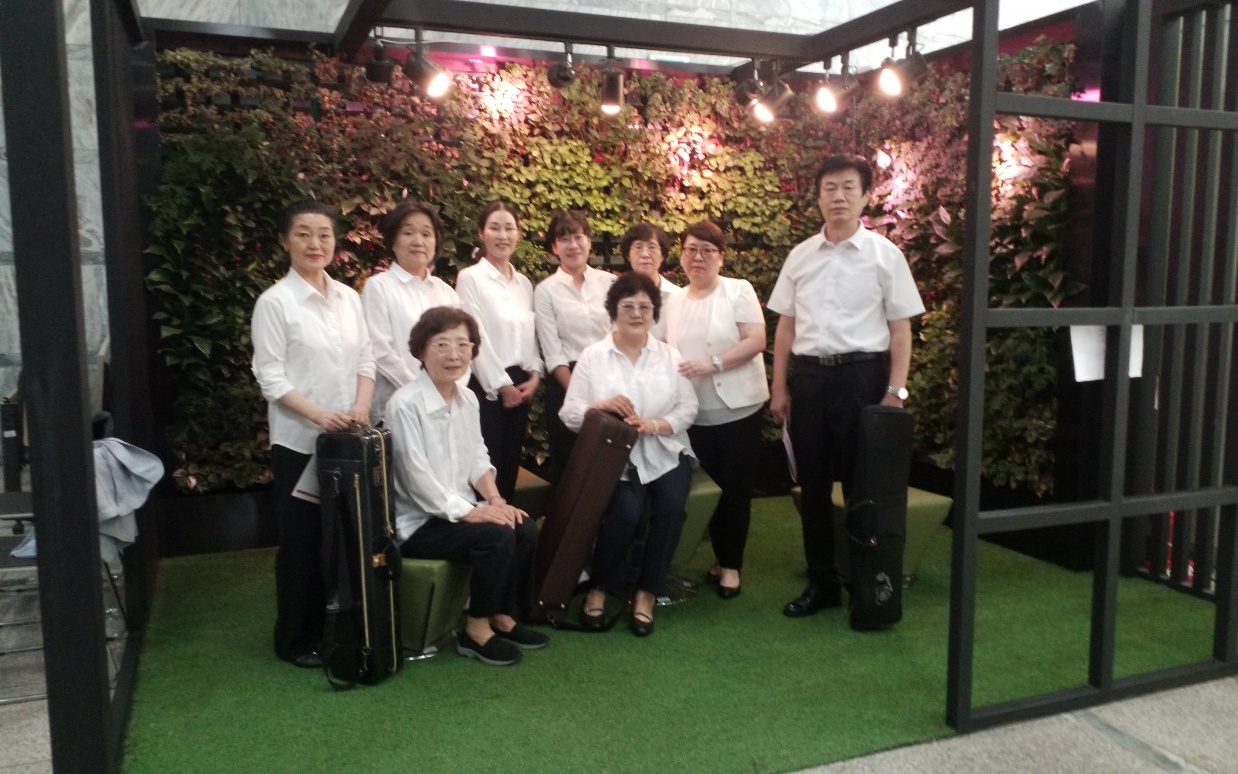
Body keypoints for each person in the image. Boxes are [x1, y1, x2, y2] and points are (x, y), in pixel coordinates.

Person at [767, 155, 925, 618]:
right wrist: (779, 387)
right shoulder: (800, 256)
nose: (838, 196)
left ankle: (865, 583)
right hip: (811, 379)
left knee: (863, 485)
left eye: (848, 187)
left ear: (866, 196)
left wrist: (896, 391)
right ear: (818, 197)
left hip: (863, 378)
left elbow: (901, 329)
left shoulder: (885, 255)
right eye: (830, 188)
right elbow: (785, 327)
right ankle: (822, 582)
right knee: (813, 485)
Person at [251, 200, 376, 667]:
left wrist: (360, 407)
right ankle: (296, 640)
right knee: (302, 544)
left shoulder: (348, 298)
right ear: (285, 241)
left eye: (323, 234)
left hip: (348, 441)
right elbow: (270, 377)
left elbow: (366, 360)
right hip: (299, 443)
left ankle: (340, 628)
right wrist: (320, 416)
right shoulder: (275, 303)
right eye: (303, 234)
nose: (314, 243)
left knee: (346, 538)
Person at [387, 306, 548, 665]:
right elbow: (416, 479)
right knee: (496, 536)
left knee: (522, 526)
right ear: (421, 350)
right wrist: (472, 513)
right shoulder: (404, 405)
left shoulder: (468, 398)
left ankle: (502, 616)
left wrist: (495, 500)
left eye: (463, 344)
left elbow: (478, 457)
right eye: (442, 344)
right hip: (420, 523)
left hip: (457, 512)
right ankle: (476, 629)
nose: (454, 354)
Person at [560, 272, 699, 637]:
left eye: (644, 307)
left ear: (654, 313)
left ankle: (647, 592)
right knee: (625, 512)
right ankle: (600, 586)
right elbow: (569, 414)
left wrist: (654, 424)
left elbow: (688, 408)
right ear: (613, 311)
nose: (637, 313)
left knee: (671, 507)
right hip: (613, 459)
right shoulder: (593, 356)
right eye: (628, 306)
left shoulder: (670, 355)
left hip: (665, 450)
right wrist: (599, 407)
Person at [663, 220, 768, 600]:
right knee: (708, 491)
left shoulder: (738, 290)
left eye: (707, 250)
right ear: (681, 256)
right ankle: (720, 557)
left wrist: (714, 364)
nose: (698, 257)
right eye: (691, 249)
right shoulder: (674, 300)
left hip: (738, 408)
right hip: (693, 413)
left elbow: (756, 340)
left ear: (721, 257)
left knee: (734, 489)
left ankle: (731, 565)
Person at [361, 201, 508, 424]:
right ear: (393, 241)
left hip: (448, 409)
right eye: (408, 233)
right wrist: (425, 394)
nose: (418, 241)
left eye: (426, 234)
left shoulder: (446, 292)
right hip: (399, 409)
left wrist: (452, 391)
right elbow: (381, 351)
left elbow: (463, 348)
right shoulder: (379, 287)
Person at [455, 201, 542, 500]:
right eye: (494, 228)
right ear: (481, 233)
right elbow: (473, 334)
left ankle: (507, 523)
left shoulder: (524, 283)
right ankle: (486, 522)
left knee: (509, 465)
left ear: (518, 233)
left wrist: (535, 375)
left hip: (522, 385)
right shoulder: (470, 278)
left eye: (509, 228)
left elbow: (530, 335)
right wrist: (502, 386)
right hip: (487, 386)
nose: (502, 235)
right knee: (487, 466)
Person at [533, 210, 616, 483]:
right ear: (554, 247)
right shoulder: (545, 290)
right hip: (567, 383)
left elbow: (620, 334)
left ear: (589, 241)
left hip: (610, 377)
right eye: (564, 239)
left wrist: (605, 389)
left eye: (578, 237)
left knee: (608, 466)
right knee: (571, 470)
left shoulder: (609, 282)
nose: (573, 245)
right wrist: (581, 393)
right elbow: (552, 352)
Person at [620, 222, 679, 341]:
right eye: (638, 247)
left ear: (663, 256)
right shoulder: (616, 296)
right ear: (628, 255)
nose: (645, 254)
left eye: (652, 247)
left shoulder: (677, 297)